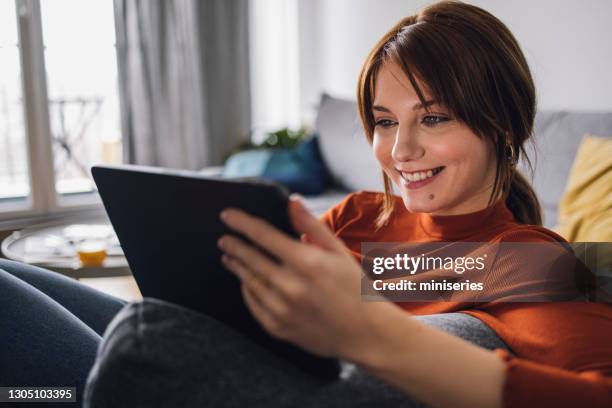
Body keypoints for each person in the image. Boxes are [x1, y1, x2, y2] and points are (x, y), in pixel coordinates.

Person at [2, 1, 611, 407]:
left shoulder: (526, 260)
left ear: (503, 126)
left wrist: (371, 333)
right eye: (381, 121)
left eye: (434, 117)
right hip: (211, 368)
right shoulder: (360, 215)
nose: (401, 149)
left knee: (135, 342)